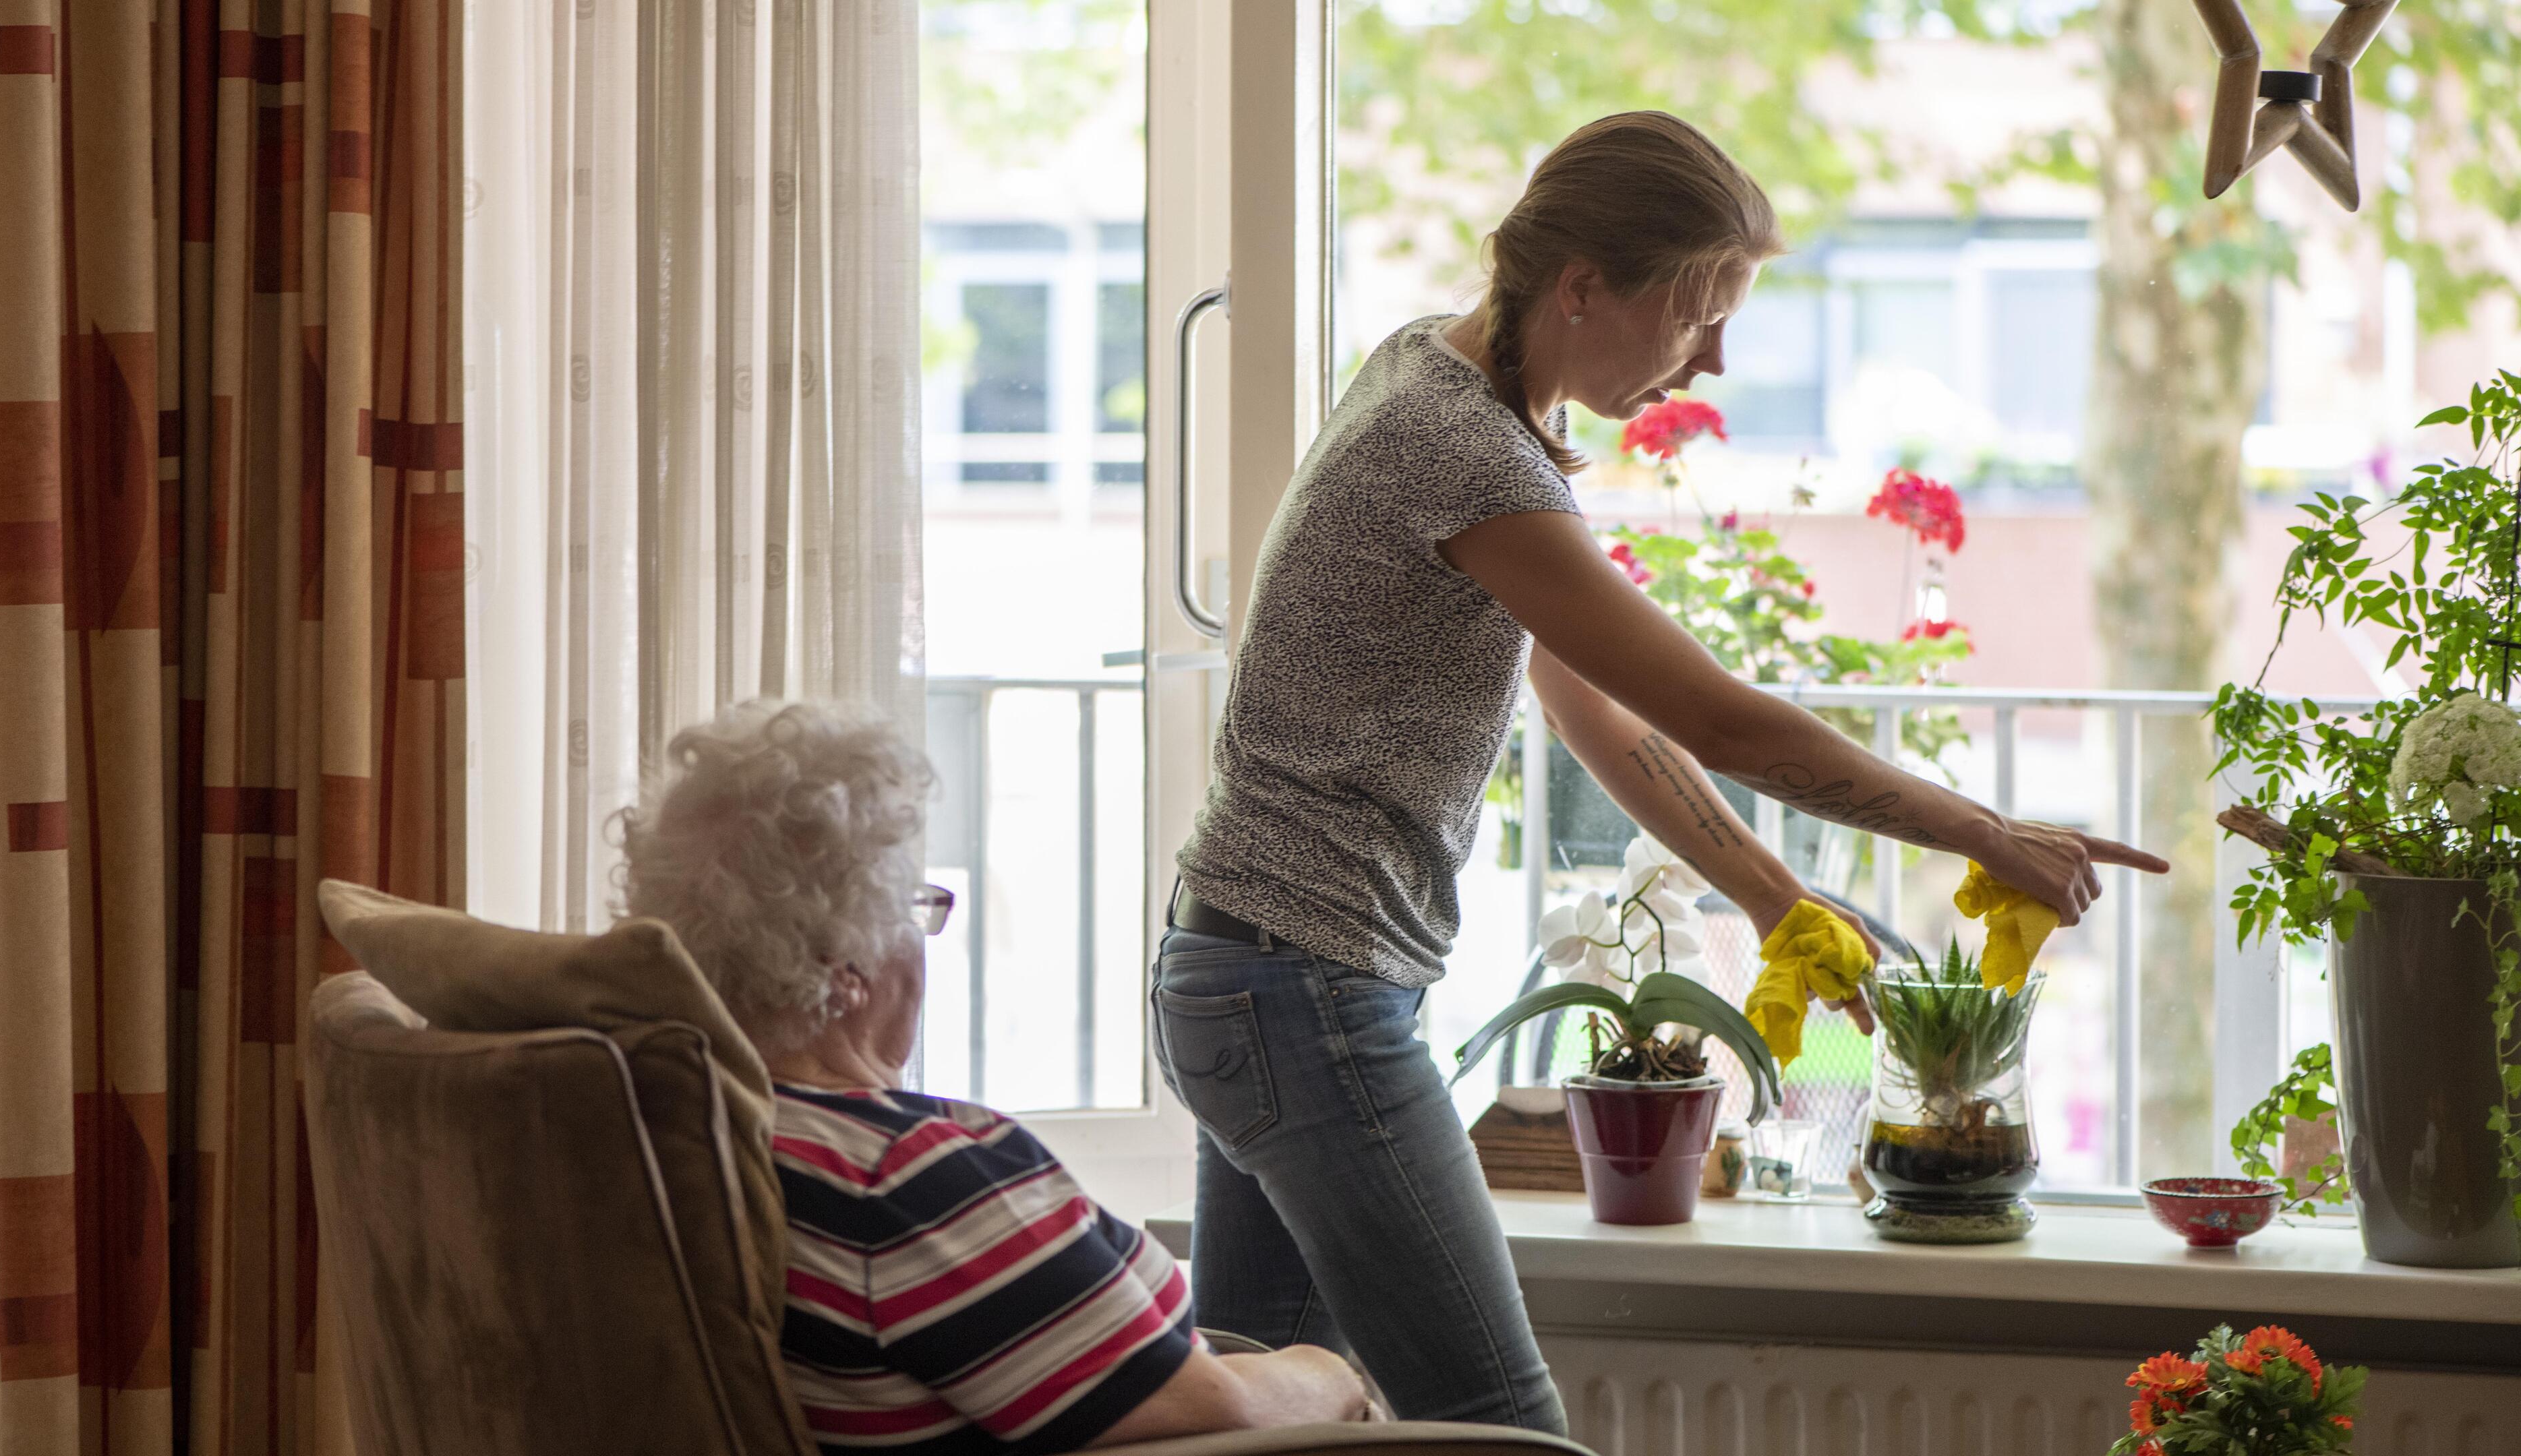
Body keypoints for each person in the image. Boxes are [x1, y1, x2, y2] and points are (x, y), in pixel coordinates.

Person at [1158, 110, 2170, 1434]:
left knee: (1260, 1417)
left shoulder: (1442, 386)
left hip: (1253, 977)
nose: (1717, 361)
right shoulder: (1462, 452)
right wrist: (1981, 831)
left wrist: (1771, 899)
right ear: (1583, 286)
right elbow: (1727, 721)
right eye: (1699, 315)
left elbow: (1603, 713)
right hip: (1306, 993)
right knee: (1498, 1421)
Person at [618, 700, 1372, 1455]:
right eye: (916, 908)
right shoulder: (902, 1179)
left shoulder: (652, 1132)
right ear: (843, 969)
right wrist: (1330, 1374)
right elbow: (1224, 1415)